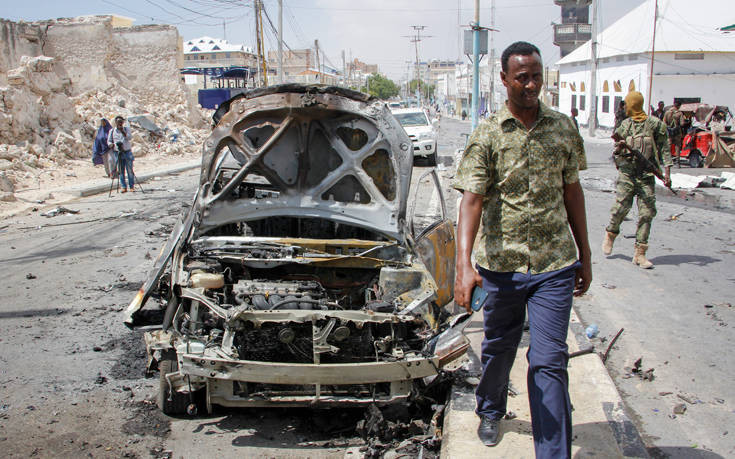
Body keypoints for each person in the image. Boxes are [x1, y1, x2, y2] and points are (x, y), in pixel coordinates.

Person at [453, 41, 591, 457]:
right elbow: (471, 201)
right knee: (499, 348)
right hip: (501, 266)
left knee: (549, 360)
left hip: (554, 265)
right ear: (504, 79)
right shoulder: (488, 134)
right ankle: (490, 408)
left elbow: (573, 191)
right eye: (522, 78)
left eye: (537, 77)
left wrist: (585, 254)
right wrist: (463, 266)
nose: (531, 85)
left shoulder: (563, 128)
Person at [602, 91, 672, 269]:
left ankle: (640, 253)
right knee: (620, 209)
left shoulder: (655, 124)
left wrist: (667, 173)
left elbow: (665, 148)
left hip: (646, 175)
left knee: (647, 214)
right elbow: (616, 149)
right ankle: (611, 234)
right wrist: (620, 148)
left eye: (627, 103)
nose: (625, 107)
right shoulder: (625, 125)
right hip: (627, 174)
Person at [108, 115, 135, 193]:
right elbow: (109, 141)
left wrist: (123, 131)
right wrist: (111, 144)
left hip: (127, 152)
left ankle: (131, 186)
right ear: (116, 122)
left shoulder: (126, 129)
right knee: (120, 171)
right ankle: (123, 187)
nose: (120, 123)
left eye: (121, 122)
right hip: (118, 153)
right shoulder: (112, 131)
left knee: (130, 170)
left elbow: (129, 138)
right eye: (118, 122)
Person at [663, 101, 686, 166]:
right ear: (679, 106)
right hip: (677, 132)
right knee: (677, 146)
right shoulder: (680, 113)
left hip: (669, 132)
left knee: (669, 146)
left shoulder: (667, 112)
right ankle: (677, 162)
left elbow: (664, 122)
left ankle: (668, 161)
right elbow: (682, 123)